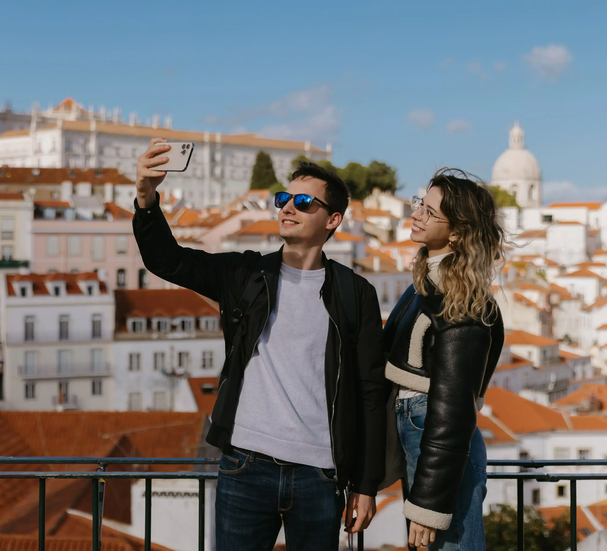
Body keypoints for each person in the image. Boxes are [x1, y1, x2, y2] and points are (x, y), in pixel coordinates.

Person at [132, 138, 387, 551]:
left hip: (320, 476)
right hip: (244, 465)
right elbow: (167, 260)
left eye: (304, 201)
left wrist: (366, 484)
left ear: (333, 219)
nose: (287, 207)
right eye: (284, 197)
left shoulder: (355, 293)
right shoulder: (246, 274)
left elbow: (371, 392)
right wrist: (146, 196)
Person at [382, 168, 506, 551]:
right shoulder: (429, 281)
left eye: (430, 212)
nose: (416, 214)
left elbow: (453, 407)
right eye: (420, 203)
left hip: (437, 438)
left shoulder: (461, 300)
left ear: (456, 232)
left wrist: (429, 505)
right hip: (424, 431)